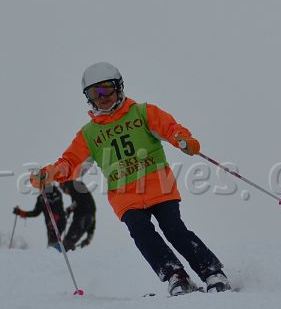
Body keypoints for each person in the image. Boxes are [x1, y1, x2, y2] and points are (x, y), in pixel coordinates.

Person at [30, 62, 230, 295]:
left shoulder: (142, 113)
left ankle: (212, 272)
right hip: (125, 196)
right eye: (95, 93)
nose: (102, 97)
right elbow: (71, 162)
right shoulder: (89, 134)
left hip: (159, 186)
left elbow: (169, 127)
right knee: (142, 234)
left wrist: (182, 139)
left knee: (174, 229)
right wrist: (50, 173)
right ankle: (176, 276)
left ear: (119, 87)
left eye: (106, 89)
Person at [13, 183, 66, 250]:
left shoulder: (52, 194)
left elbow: (58, 208)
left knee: (53, 244)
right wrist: (21, 213)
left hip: (57, 222)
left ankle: (61, 252)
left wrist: (55, 218)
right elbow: (35, 212)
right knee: (53, 243)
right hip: (54, 223)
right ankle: (61, 251)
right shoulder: (45, 197)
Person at [59, 180, 96, 251]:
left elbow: (77, 201)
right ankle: (67, 248)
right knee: (70, 242)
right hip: (89, 219)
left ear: (65, 186)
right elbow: (92, 217)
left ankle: (64, 249)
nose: (64, 192)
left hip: (81, 216)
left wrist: (69, 210)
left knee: (68, 242)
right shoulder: (86, 197)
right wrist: (89, 238)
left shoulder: (74, 187)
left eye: (62, 189)